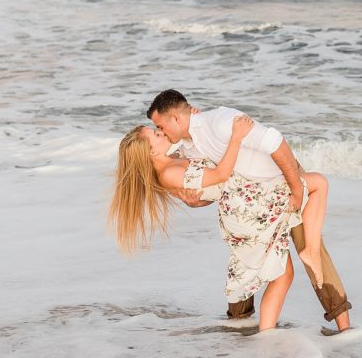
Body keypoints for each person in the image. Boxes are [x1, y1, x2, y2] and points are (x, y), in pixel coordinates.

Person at [145, 89, 353, 332]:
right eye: (156, 131)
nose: (161, 132)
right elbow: (214, 180)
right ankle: (240, 324)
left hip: (283, 178)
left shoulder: (221, 122)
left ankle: (343, 327)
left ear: (177, 119)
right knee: (253, 259)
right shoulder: (185, 145)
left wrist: (296, 188)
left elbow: (276, 143)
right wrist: (196, 200)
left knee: (309, 251)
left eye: (160, 126)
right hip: (255, 197)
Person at [107, 116, 330, 331]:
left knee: (283, 275)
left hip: (242, 203)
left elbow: (199, 162)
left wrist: (191, 120)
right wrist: (236, 136)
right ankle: (309, 252)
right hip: (247, 205)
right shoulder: (169, 172)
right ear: (151, 152)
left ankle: (266, 337)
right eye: (156, 134)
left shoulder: (171, 162)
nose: (161, 132)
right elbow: (221, 175)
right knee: (318, 183)